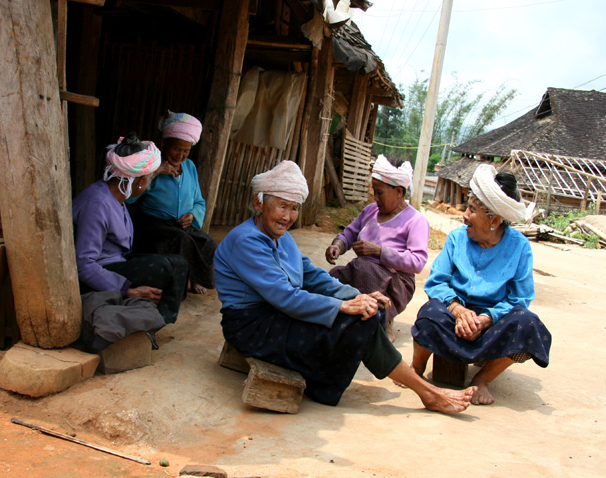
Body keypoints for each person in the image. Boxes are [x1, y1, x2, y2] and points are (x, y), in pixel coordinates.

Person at [214, 160, 475, 413]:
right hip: (252, 326)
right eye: (282, 206)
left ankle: (425, 392)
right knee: (357, 322)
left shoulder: (281, 239)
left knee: (366, 314)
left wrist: (358, 296)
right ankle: (427, 393)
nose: (289, 216)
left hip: (275, 315)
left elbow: (312, 276)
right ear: (259, 203)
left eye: (294, 208)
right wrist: (343, 305)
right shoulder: (247, 240)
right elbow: (286, 297)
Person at [411, 164, 552, 405]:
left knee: (528, 324)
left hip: (491, 324)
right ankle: (416, 367)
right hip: (453, 315)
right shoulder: (457, 238)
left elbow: (519, 299)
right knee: (429, 313)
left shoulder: (519, 247)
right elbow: (437, 283)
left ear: (494, 221)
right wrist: (458, 310)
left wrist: (486, 318)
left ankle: (483, 380)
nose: (464, 215)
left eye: (472, 210)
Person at [72, 133, 188, 330]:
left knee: (178, 263)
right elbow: (84, 264)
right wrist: (126, 289)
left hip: (114, 263)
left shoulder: (116, 196)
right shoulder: (97, 204)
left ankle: (157, 318)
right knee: (161, 268)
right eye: (150, 177)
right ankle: (146, 317)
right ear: (141, 180)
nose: (149, 183)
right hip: (94, 276)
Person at [325, 155, 429, 343]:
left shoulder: (416, 220)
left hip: (396, 282)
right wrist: (337, 245)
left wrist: (379, 251)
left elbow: (417, 262)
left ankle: (383, 322)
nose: (375, 198)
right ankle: (345, 316)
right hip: (361, 270)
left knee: (364, 269)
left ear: (398, 191)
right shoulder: (370, 210)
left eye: (380, 192)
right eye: (374, 192)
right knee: (330, 278)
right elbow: (349, 233)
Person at [128, 111, 216, 295]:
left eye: (186, 150)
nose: (181, 155)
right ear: (164, 143)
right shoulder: (152, 164)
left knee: (208, 242)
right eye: (177, 148)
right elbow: (130, 197)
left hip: (181, 226)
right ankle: (177, 287)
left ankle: (195, 277)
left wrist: (192, 215)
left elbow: (199, 201)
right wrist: (155, 172)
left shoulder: (190, 167)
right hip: (153, 225)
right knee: (181, 240)